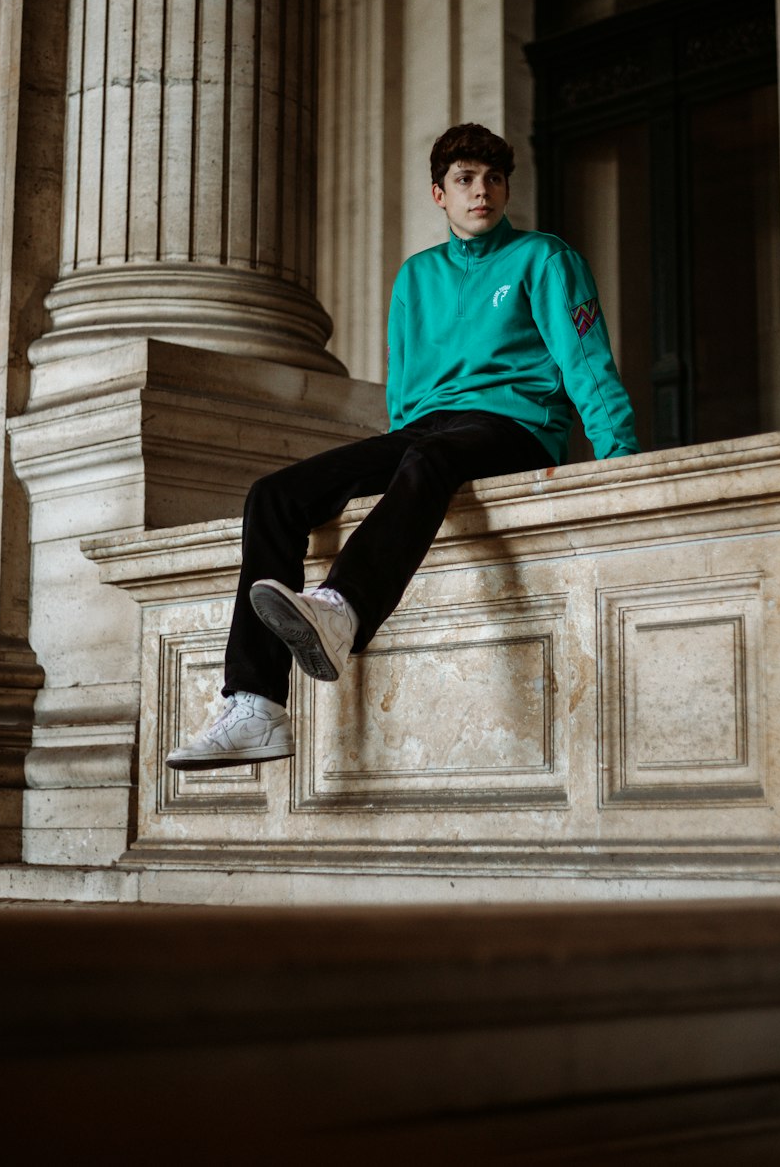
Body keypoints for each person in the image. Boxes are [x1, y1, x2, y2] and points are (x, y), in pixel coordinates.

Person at [167, 123, 639, 770]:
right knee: (274, 494)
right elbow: (406, 396)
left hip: (516, 426)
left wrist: (620, 464)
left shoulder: (544, 258)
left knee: (431, 459)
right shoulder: (416, 277)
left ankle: (341, 608)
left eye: (494, 179)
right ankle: (255, 704)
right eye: (466, 179)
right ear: (438, 194)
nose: (483, 192)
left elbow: (587, 364)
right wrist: (385, 474)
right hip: (427, 431)